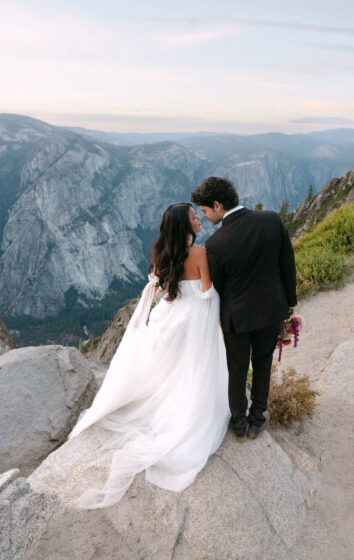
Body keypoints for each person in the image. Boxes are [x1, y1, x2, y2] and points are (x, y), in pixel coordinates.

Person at [67, 202, 230, 509]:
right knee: (193, 368)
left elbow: (156, 287)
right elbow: (208, 292)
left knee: (170, 369)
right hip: (194, 318)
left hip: (169, 316)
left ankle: (158, 406)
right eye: (195, 217)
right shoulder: (200, 254)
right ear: (185, 225)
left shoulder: (161, 254)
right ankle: (185, 408)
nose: (199, 219)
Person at [191, 177, 297, 442]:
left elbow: (220, 288)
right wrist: (289, 304)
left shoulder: (216, 244)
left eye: (205, 211)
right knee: (263, 365)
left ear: (217, 204)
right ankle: (257, 418)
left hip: (236, 318)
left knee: (236, 370)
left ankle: (238, 424)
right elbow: (287, 264)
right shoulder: (272, 220)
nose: (204, 216)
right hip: (271, 310)